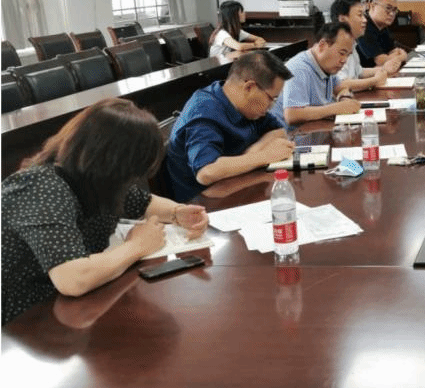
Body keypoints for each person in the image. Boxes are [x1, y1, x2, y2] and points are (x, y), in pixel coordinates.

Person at [1, 99, 209, 325]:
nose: (133, 180)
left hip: (65, 310)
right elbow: (73, 279)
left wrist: (178, 212)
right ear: (110, 162)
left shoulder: (97, 180)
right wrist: (137, 246)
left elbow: (145, 202)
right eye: (132, 172)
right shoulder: (42, 187)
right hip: (19, 323)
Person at [161, 50, 295, 202]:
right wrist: (265, 156)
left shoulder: (246, 106)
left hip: (237, 189)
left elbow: (278, 131)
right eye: (271, 98)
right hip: (204, 204)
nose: (271, 105)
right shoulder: (204, 110)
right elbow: (206, 172)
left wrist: (252, 152)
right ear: (249, 87)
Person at [271, 22, 361, 126]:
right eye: (342, 53)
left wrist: (344, 98)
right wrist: (337, 108)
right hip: (291, 134)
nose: (344, 60)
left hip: (315, 128)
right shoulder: (298, 68)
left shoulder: (327, 66)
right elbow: (292, 115)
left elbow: (340, 88)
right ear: (322, 45)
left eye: (348, 55)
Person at [328, 0, 397, 92]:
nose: (365, 20)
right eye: (360, 15)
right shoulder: (334, 46)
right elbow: (338, 85)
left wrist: (384, 69)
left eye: (364, 15)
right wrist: (375, 81)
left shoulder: (351, 43)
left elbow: (359, 72)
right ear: (343, 19)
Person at [356, 0, 409, 70]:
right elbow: (381, 61)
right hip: (363, 76)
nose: (391, 14)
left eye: (394, 10)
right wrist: (402, 57)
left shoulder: (382, 27)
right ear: (372, 6)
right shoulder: (363, 26)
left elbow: (394, 51)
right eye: (388, 8)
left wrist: (391, 57)